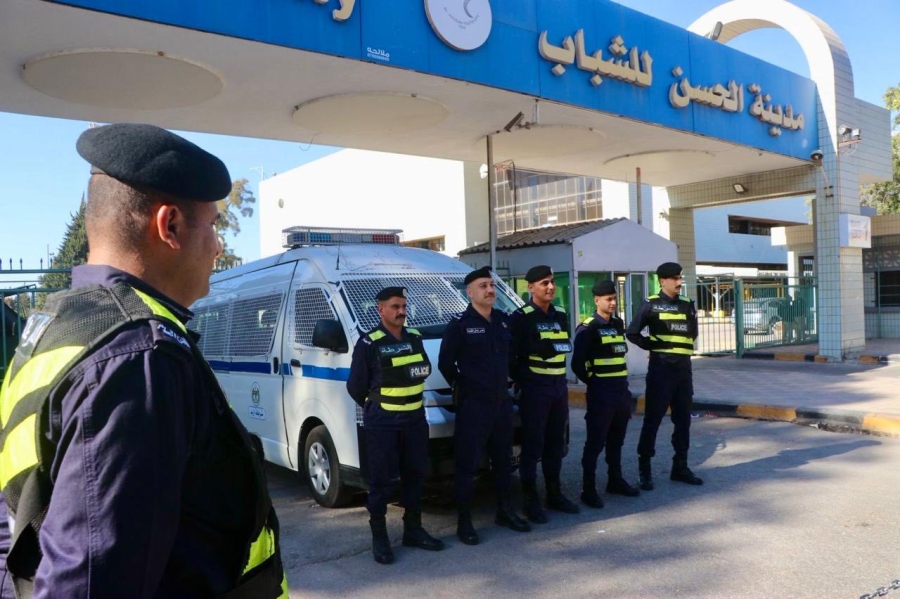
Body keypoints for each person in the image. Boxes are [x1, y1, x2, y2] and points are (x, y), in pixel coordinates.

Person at [0, 123, 287, 597]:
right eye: (213, 226)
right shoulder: (138, 358)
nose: (218, 246)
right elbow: (90, 582)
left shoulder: (55, 326)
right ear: (169, 226)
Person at [346, 287, 445, 564]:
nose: (401, 311)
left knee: (416, 475)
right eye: (395, 306)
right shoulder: (369, 343)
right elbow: (356, 386)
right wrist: (377, 407)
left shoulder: (414, 337)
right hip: (383, 423)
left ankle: (413, 529)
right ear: (381, 309)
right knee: (381, 481)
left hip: (415, 420)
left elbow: (419, 372)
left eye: (403, 306)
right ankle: (380, 537)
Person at [438, 267, 531, 546]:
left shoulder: (503, 321)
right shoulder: (459, 325)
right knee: (467, 465)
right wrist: (465, 386)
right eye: (483, 286)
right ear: (470, 292)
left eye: (492, 285)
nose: (490, 290)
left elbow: (511, 357)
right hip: (474, 405)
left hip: (501, 404)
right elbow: (445, 364)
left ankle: (505, 511)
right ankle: (464, 521)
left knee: (503, 461)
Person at [509, 265, 580, 523]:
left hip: (558, 388)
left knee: (554, 443)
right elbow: (511, 358)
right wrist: (527, 382)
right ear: (531, 288)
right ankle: (530, 501)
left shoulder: (560, 313)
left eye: (552, 282)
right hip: (535, 389)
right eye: (544, 283)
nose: (550, 287)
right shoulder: (521, 317)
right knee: (532, 446)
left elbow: (562, 346)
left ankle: (554, 494)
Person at [626, 262, 703, 491]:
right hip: (661, 371)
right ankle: (645, 470)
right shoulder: (651, 304)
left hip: (683, 371)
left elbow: (692, 333)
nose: (679, 282)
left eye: (680, 278)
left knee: (683, 420)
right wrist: (653, 346)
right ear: (662, 281)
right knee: (653, 420)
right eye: (675, 279)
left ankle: (680, 467)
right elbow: (632, 332)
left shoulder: (688, 304)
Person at [571, 280, 640, 508]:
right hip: (601, 393)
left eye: (614, 298)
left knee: (616, 440)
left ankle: (615, 480)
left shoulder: (618, 324)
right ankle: (588, 489)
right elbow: (577, 364)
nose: (612, 303)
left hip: (620, 392)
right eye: (608, 299)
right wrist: (596, 383)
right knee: (595, 443)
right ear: (596, 300)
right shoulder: (588, 327)